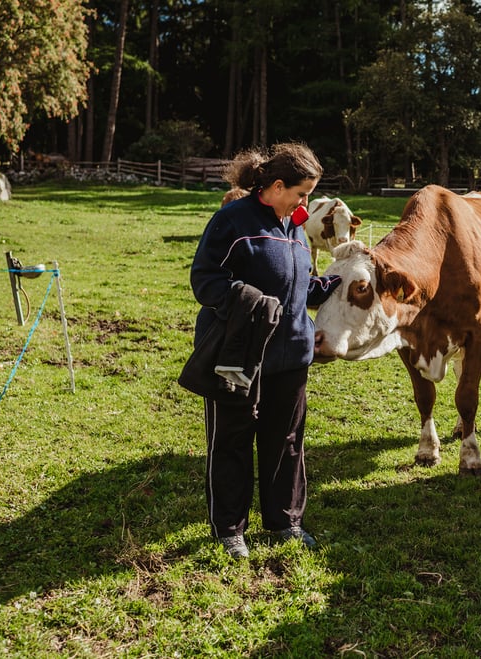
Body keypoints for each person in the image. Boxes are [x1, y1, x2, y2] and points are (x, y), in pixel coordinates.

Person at [188, 142, 341, 559]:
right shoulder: (232, 221)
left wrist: (336, 281)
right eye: (302, 193)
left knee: (287, 440)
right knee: (232, 440)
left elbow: (297, 284)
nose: (305, 203)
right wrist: (249, 301)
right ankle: (229, 530)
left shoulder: (293, 226)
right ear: (276, 185)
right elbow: (205, 280)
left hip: (291, 354)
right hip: (240, 354)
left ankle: (285, 522)